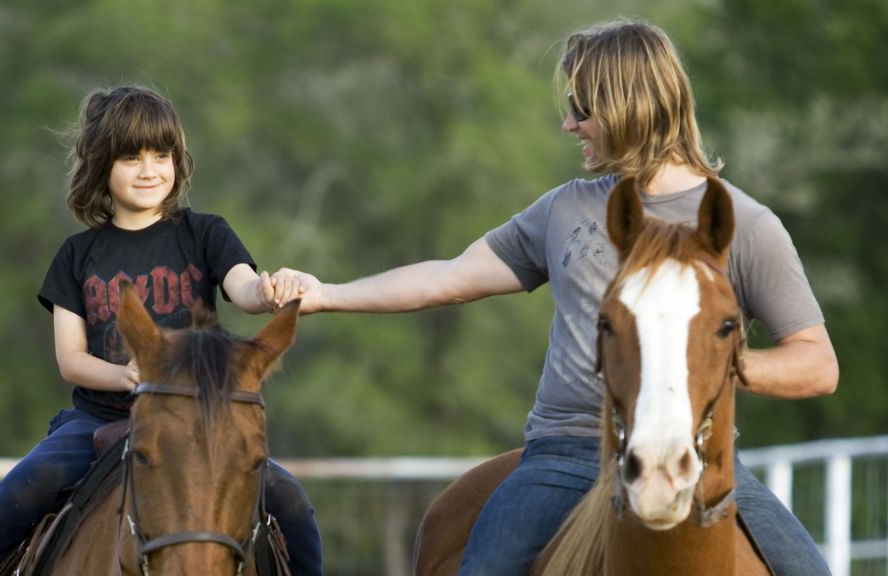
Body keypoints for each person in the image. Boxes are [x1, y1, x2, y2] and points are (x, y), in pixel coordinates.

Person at [268, 19, 838, 576]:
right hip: (567, 454)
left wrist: (703, 365)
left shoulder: (744, 224)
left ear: (628, 105)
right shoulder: (564, 209)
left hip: (703, 463)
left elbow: (816, 362)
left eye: (582, 108)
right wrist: (327, 294)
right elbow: (448, 276)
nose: (570, 124)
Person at [0, 86, 323, 576]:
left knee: (292, 502)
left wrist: (275, 287)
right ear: (102, 167)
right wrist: (127, 375)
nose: (150, 170)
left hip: (196, 423)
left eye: (161, 155)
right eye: (131, 157)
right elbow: (71, 358)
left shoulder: (205, 232)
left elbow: (245, 288)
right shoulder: (76, 255)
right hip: (97, 422)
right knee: (17, 494)